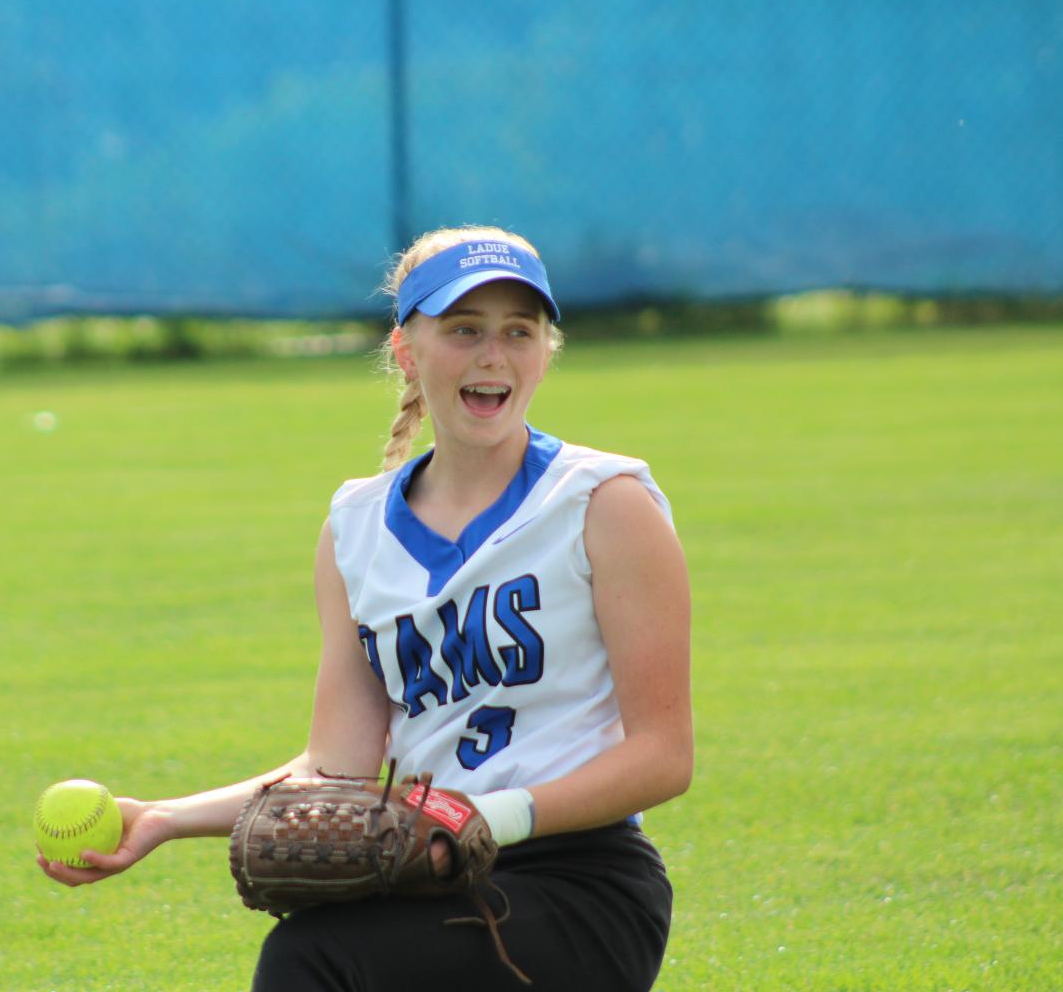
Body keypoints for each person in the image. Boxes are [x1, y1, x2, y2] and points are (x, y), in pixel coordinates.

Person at [38, 226, 693, 991]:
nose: (494, 355)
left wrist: (486, 817)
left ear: (547, 350)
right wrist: (164, 817)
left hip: (581, 881)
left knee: (314, 957)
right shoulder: (355, 528)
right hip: (428, 868)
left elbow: (662, 755)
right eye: (463, 330)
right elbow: (334, 766)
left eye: (520, 331)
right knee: (318, 944)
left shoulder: (602, 503)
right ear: (407, 350)